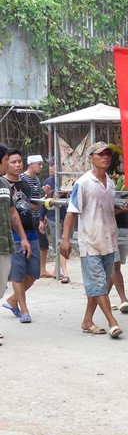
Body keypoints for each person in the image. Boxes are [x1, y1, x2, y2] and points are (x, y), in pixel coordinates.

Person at [60, 142, 123, 338]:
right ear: (91, 158)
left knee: (99, 286)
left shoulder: (110, 183)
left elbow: (107, 209)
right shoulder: (83, 183)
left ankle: (87, 321)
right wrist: (66, 239)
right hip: (90, 241)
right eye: (101, 154)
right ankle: (113, 322)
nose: (105, 157)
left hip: (108, 239)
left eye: (108, 155)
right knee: (97, 284)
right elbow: (72, 212)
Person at [2, 148, 40, 323]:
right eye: (13, 162)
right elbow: (11, 212)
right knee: (18, 273)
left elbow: (25, 206)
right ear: (5, 163)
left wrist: (43, 202)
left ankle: (12, 300)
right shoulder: (3, 183)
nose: (17, 165)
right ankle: (24, 310)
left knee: (34, 272)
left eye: (19, 161)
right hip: (13, 235)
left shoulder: (24, 183)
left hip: (31, 231)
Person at [0, 144, 31, 344]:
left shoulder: (4, 183)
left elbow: (12, 212)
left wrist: (23, 237)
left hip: (5, 245)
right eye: (6, 161)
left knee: (1, 288)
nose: (7, 164)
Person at [21, 154, 52, 279]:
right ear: (31, 164)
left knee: (43, 242)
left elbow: (37, 200)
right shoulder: (23, 179)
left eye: (41, 164)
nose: (41, 166)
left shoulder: (37, 180)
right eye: (38, 164)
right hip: (25, 216)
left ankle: (42, 269)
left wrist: (46, 196)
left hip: (36, 215)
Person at [40, 161, 71, 283]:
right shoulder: (48, 181)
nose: (51, 168)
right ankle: (64, 271)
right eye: (50, 166)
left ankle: (57, 268)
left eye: (54, 165)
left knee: (64, 241)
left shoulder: (67, 180)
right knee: (58, 242)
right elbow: (45, 201)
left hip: (67, 215)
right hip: (53, 216)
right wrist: (41, 219)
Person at [108, 208, 128, 314]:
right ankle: (123, 299)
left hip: (123, 226)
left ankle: (102, 297)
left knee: (117, 265)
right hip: (108, 228)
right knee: (115, 264)